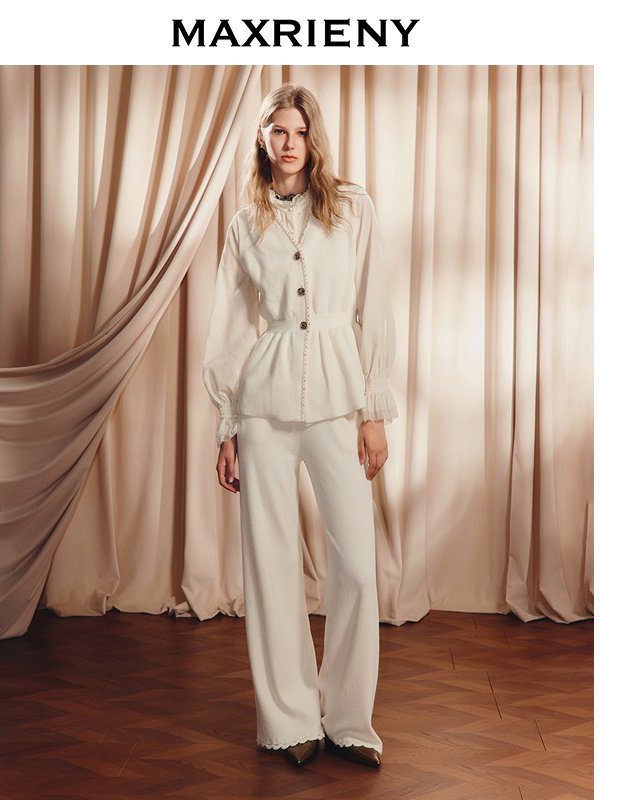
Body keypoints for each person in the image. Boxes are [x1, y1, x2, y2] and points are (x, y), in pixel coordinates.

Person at [202, 83, 397, 769]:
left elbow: (375, 305)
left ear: (315, 138)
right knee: (271, 565)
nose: (290, 143)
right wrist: (228, 423)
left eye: (301, 131)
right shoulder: (244, 224)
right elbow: (229, 330)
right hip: (263, 409)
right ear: (262, 137)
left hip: (340, 402)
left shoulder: (352, 208)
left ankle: (348, 720)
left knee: (356, 568)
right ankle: (288, 722)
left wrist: (374, 412)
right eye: (278, 131)